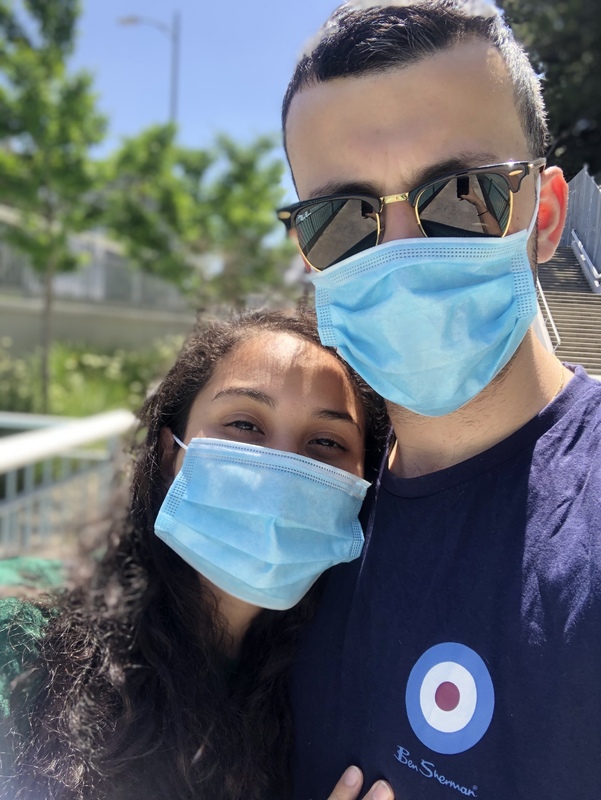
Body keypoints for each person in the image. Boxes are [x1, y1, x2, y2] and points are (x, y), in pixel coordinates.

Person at [278, 2, 601, 799]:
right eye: (339, 218)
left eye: (460, 194)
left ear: (545, 217)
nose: (398, 250)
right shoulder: (293, 498)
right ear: (306, 251)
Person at [0, 309, 394, 800]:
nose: (282, 466)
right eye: (246, 424)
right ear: (170, 453)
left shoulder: (327, 688)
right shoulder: (22, 640)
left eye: (325, 441)